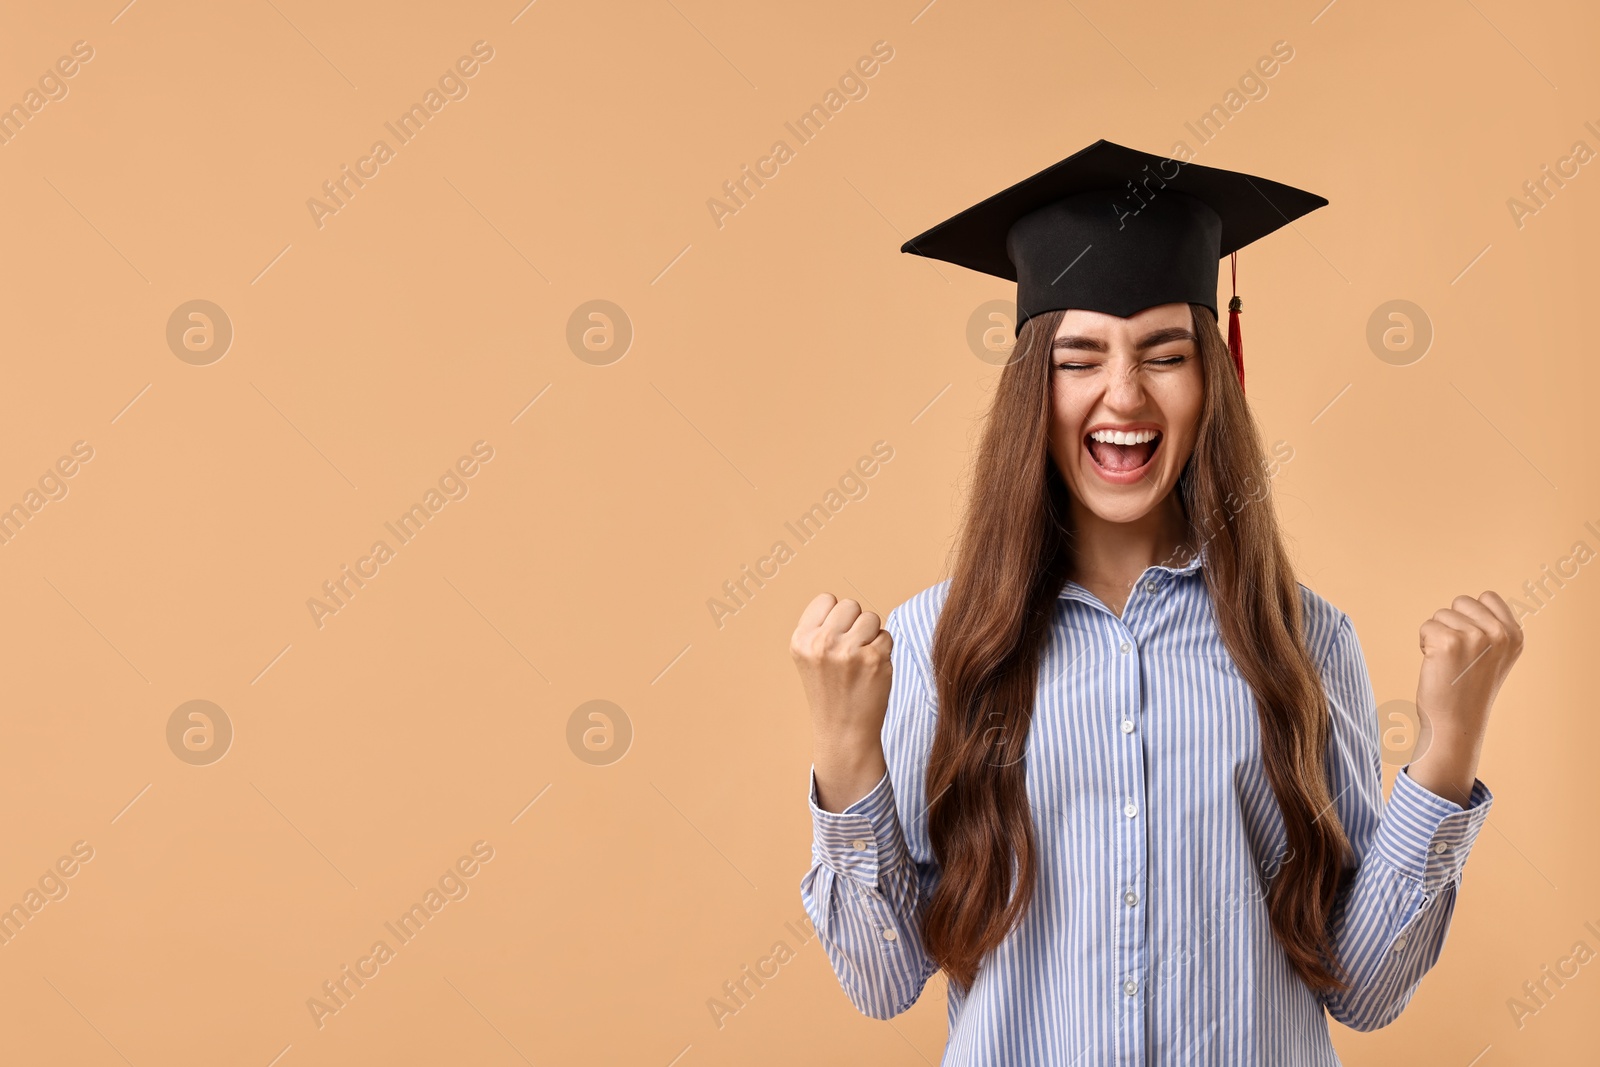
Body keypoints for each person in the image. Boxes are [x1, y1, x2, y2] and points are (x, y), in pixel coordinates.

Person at [789, 140, 1523, 1065]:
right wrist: (846, 754)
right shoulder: (939, 641)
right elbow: (881, 981)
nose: (1124, 393)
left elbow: (1366, 988)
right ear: (1031, 390)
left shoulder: (1301, 637)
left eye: (1164, 354)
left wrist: (1447, 749)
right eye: (1079, 357)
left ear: (1213, 377)